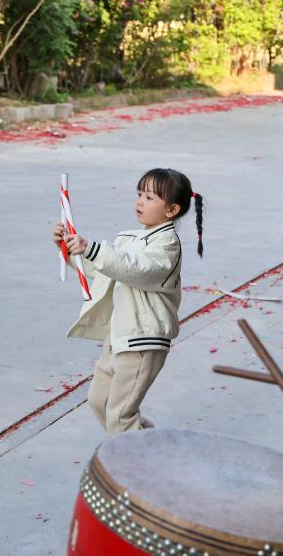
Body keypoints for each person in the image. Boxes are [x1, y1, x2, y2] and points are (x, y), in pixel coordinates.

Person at [54, 168, 204, 435]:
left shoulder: (167, 246)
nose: (139, 201)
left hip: (143, 340)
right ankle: (146, 444)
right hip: (120, 336)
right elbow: (105, 274)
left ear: (171, 210)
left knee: (120, 414)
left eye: (149, 197)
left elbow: (136, 270)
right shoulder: (130, 239)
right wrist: (71, 251)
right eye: (139, 194)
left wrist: (90, 247)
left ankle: (134, 466)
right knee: (99, 401)